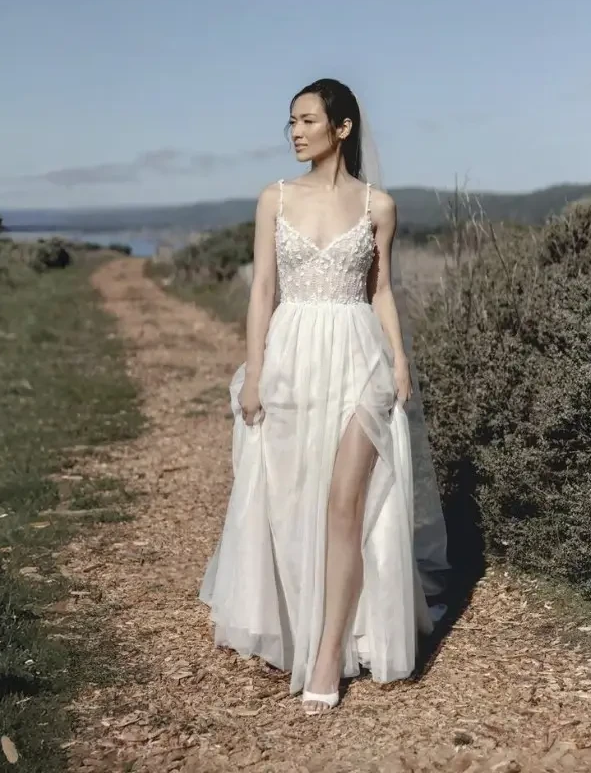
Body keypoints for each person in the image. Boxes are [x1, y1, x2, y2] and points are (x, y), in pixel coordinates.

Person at [198, 78, 450, 715]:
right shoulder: (273, 199)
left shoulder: (379, 206)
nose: (295, 132)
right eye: (290, 122)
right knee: (289, 497)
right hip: (290, 355)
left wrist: (399, 359)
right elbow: (262, 294)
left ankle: (329, 652)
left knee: (345, 504)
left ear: (341, 128)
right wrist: (254, 373)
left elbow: (381, 291)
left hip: (358, 355)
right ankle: (292, 620)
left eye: (308, 120)